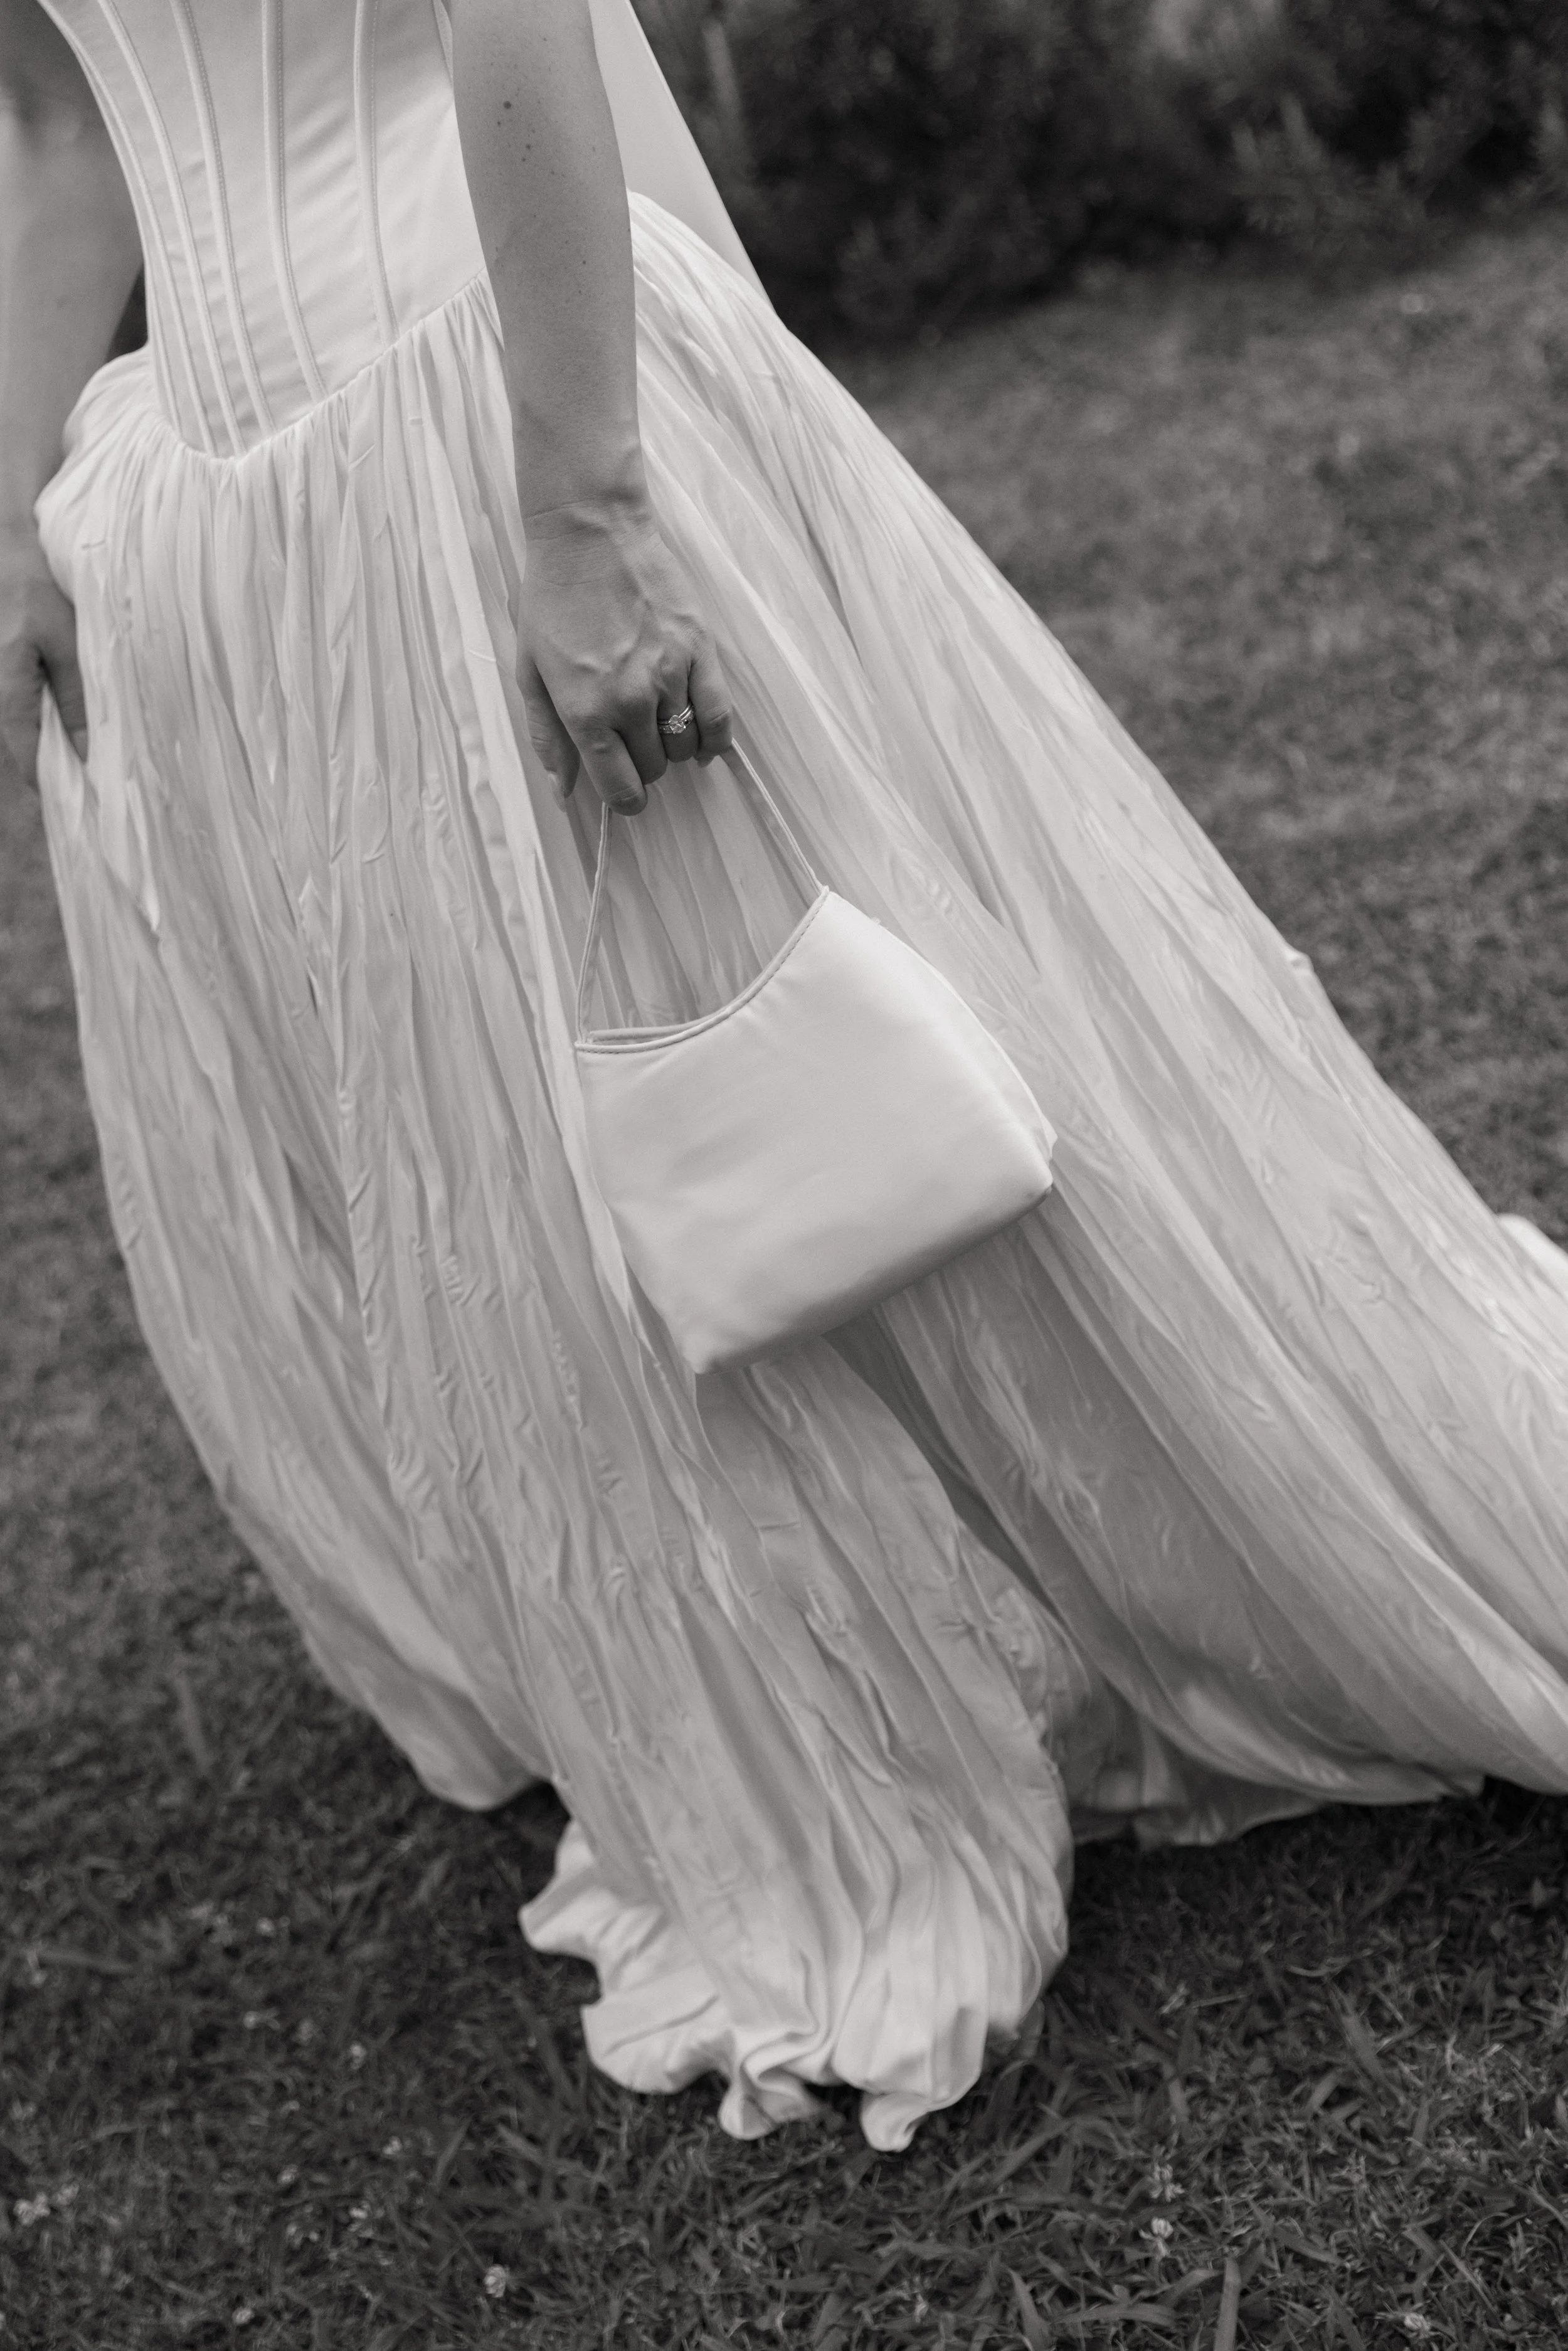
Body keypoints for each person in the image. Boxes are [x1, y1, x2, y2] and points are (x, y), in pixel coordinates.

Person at [4, 0, 1568, 2154]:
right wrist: (17, 508)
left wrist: (577, 505)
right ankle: (775, 1708)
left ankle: (1184, 1546)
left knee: (816, 1056)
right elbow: (67, 126)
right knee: (520, 1193)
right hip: (238, 554)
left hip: (491, 400)